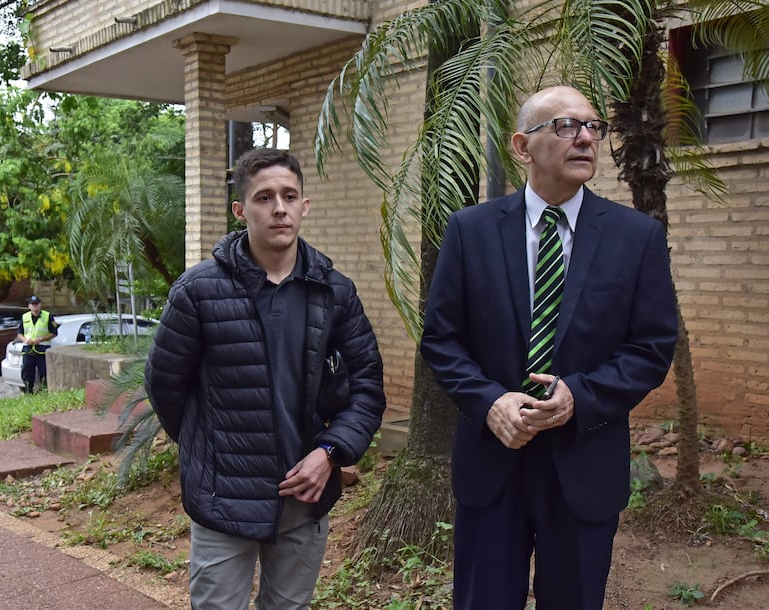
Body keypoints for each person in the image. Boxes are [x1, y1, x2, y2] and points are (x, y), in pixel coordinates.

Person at [419, 86, 678, 610]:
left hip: (584, 462)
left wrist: (578, 396)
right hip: (494, 461)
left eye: (592, 127)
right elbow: (442, 340)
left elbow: (651, 346)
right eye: (565, 125)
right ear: (522, 146)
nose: (585, 137)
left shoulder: (636, 237)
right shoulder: (471, 231)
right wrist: (490, 402)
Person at [144, 147, 386, 610]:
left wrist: (331, 453)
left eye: (290, 196)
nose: (279, 208)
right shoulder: (199, 291)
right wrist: (210, 450)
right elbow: (166, 386)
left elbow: (367, 387)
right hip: (224, 502)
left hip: (305, 497)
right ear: (241, 210)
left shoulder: (335, 292)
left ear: (304, 206)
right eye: (264, 197)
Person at [17, 295, 59, 393]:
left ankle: (45, 391)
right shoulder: (24, 317)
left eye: (36, 304)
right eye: (33, 304)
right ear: (29, 306)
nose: (35, 306)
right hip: (28, 348)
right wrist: (25, 340)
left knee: (44, 372)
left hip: (42, 348)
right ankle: (28, 392)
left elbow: (54, 333)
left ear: (40, 305)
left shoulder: (48, 316)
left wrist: (40, 339)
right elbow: (19, 333)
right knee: (27, 371)